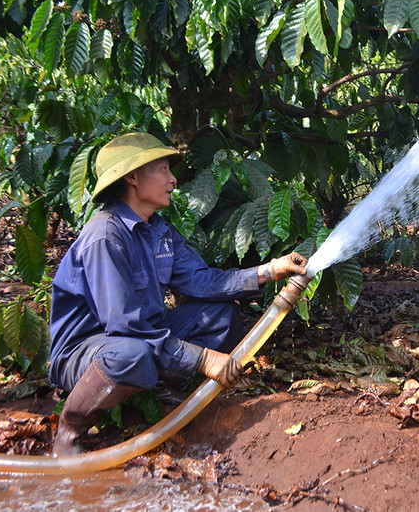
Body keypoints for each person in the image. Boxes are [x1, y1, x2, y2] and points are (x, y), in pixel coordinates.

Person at [49, 132, 307, 456]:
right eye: (163, 170)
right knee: (131, 355)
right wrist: (202, 358)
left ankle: (158, 396)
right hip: (89, 352)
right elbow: (125, 327)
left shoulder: (158, 231)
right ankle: (70, 429)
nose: (173, 180)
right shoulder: (105, 236)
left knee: (220, 318)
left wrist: (270, 270)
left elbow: (204, 281)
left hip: (139, 339)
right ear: (132, 177)